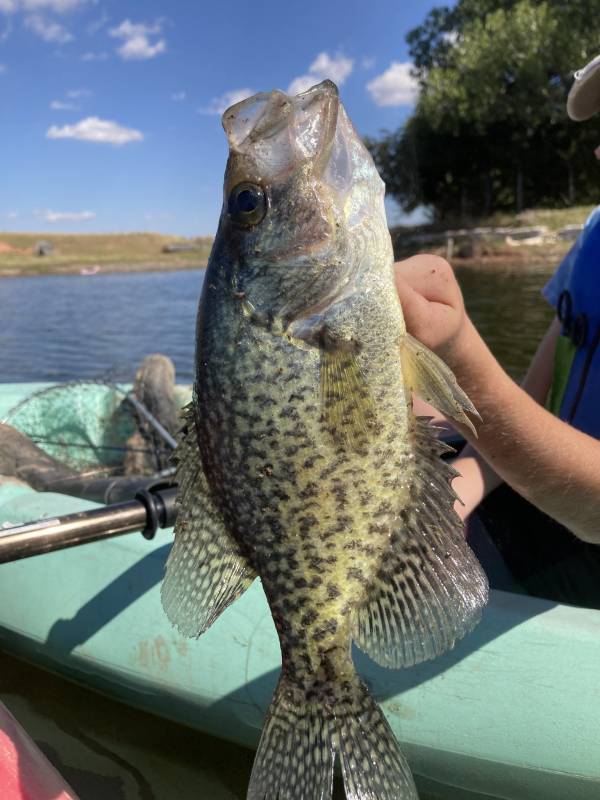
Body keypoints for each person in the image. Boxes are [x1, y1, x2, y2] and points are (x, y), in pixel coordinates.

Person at [394, 54, 600, 604]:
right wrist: (456, 493)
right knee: (405, 409)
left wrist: (459, 352)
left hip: (586, 540)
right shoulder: (596, 238)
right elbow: (529, 402)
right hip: (536, 481)